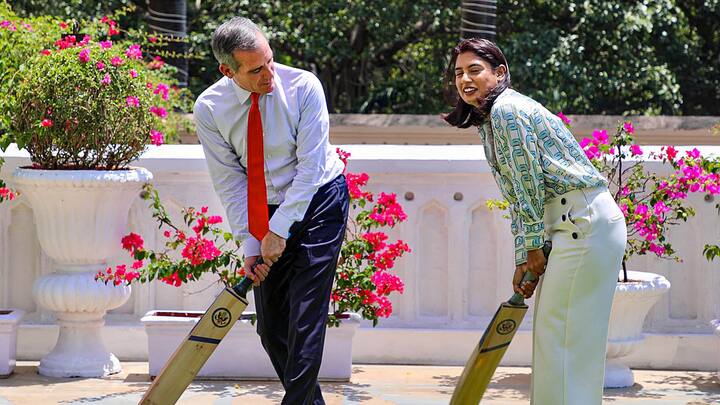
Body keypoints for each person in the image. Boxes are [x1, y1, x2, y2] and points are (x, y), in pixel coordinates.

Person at [443, 38, 627, 405]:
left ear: (500, 73)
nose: (465, 79)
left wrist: (530, 248)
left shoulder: (506, 111)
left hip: (582, 224)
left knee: (562, 340)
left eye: (475, 70)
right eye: (459, 72)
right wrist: (524, 254)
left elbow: (527, 184)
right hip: (574, 225)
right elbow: (519, 192)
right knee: (559, 338)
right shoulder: (492, 118)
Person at [193, 17, 348, 405]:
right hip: (265, 209)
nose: (270, 74)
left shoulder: (304, 87)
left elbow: (311, 168)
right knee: (272, 328)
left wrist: (278, 230)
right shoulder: (210, 108)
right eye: (257, 69)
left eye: (271, 61)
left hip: (319, 201)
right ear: (228, 71)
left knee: (305, 317)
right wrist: (251, 243)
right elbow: (229, 181)